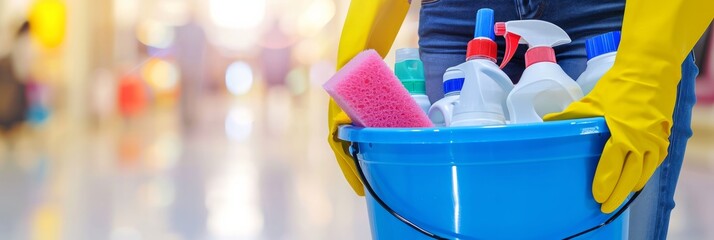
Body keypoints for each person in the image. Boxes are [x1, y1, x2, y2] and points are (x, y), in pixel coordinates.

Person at [327, 0, 713, 239]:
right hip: (454, 17)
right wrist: (359, 50)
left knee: (614, 214)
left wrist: (645, 71)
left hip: (613, 16)